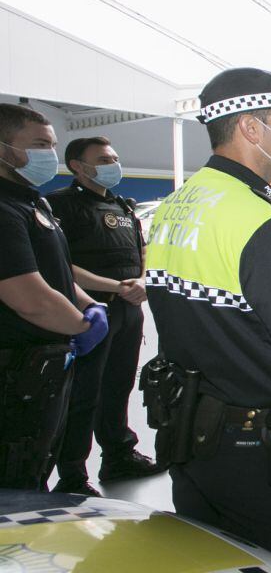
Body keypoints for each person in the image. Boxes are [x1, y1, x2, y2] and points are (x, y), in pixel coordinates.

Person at [143, 68, 271, 571]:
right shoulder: (258, 217)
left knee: (207, 558)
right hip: (256, 447)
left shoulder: (176, 205)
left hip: (189, 429)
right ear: (251, 127)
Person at [0, 103, 108, 490]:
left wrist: (88, 305)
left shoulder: (32, 201)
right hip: (14, 371)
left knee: (34, 468)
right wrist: (81, 326)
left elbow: (57, 270)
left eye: (52, 145)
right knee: (13, 481)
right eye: (39, 145)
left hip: (42, 368)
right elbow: (29, 296)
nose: (49, 154)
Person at [47, 137, 162, 496]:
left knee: (118, 386)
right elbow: (60, 265)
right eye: (103, 160)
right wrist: (115, 286)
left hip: (129, 309)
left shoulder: (122, 206)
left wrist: (141, 280)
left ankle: (118, 455)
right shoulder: (61, 205)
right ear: (78, 166)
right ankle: (72, 474)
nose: (113, 164)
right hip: (90, 312)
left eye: (114, 157)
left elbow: (141, 252)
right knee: (83, 394)